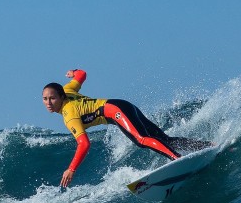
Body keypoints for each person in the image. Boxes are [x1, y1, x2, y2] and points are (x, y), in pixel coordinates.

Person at [43, 68, 212, 187]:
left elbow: (84, 144)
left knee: (141, 140)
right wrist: (73, 73)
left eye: (52, 98)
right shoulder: (68, 89)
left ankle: (177, 159)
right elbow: (82, 74)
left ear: (61, 96)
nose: (49, 103)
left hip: (116, 111)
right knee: (164, 139)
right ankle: (207, 146)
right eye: (45, 99)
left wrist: (71, 169)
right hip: (122, 105)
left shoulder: (69, 114)